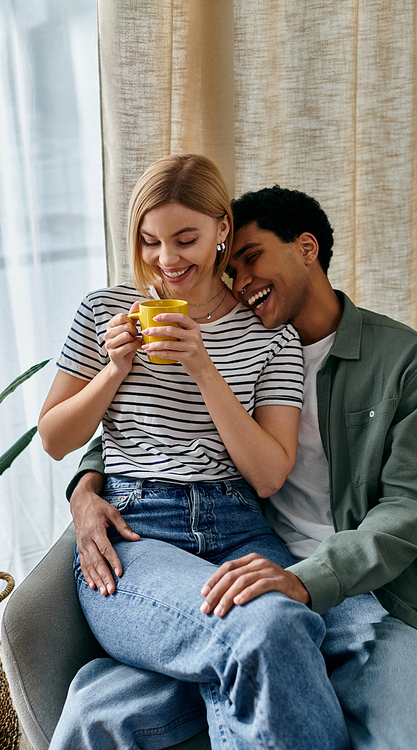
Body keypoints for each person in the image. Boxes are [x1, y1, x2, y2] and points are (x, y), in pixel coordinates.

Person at [59, 185, 417, 750]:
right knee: (97, 714)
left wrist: (306, 580)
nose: (239, 282)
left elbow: (412, 507)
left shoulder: (402, 360)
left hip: (375, 598)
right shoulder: (237, 343)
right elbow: (154, 429)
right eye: (232, 266)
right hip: (244, 570)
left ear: (305, 248)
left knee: (411, 740)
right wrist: (86, 487)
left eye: (251, 259)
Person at [41, 156, 350, 750]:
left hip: (238, 523)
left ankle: (124, 685)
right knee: (270, 629)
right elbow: (55, 439)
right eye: (150, 241)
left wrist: (202, 365)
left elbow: (267, 474)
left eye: (186, 239)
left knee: (281, 621)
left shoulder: (270, 333)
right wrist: (113, 370)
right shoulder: (103, 310)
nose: (167, 259)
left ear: (221, 230)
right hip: (137, 531)